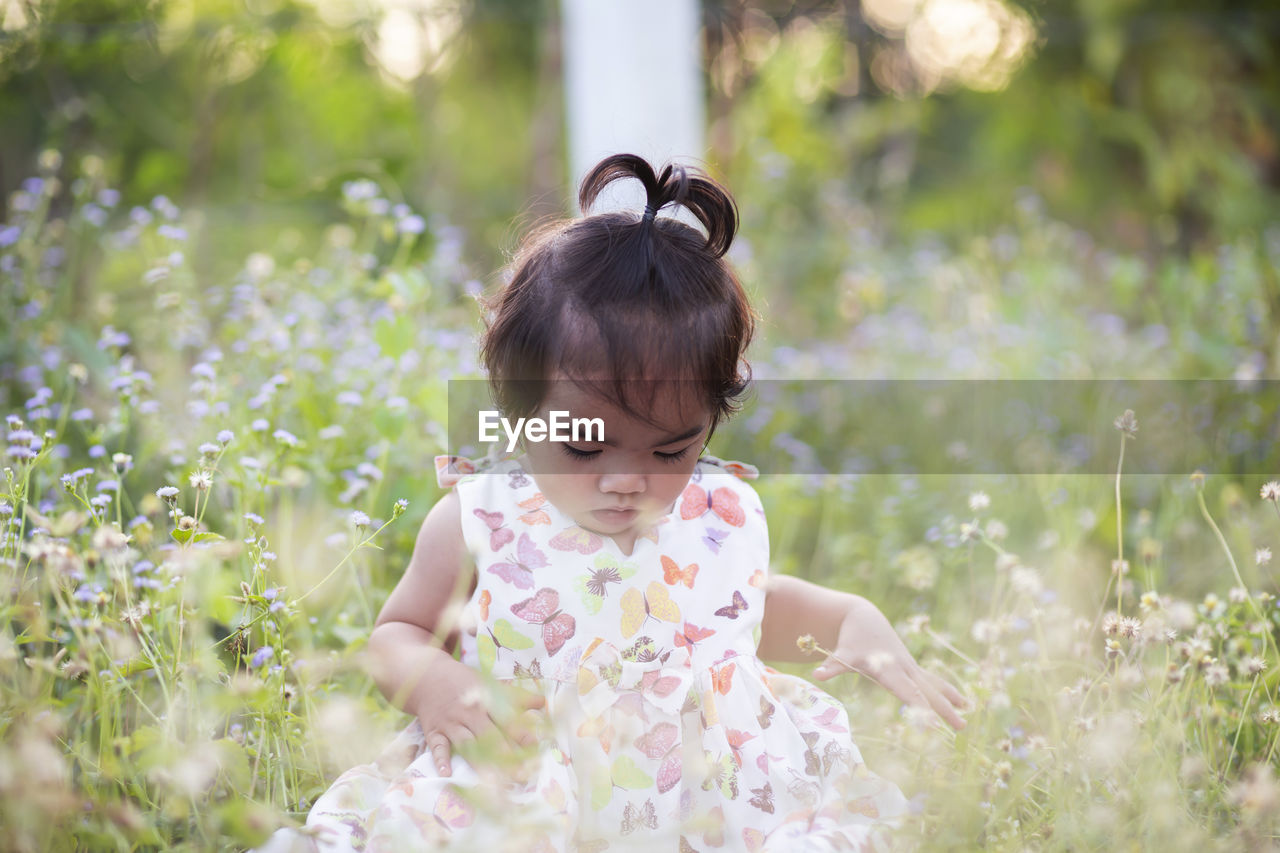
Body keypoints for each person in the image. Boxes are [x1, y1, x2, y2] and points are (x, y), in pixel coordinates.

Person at [255, 154, 966, 853]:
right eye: (586, 448)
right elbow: (398, 633)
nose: (627, 479)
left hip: (703, 796)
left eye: (669, 451)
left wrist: (852, 619)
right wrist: (437, 685)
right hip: (525, 784)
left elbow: (740, 613)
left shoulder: (718, 512)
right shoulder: (485, 519)